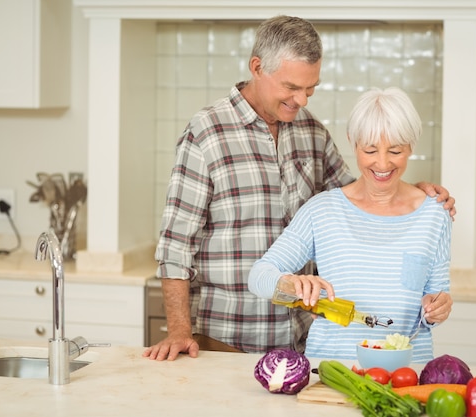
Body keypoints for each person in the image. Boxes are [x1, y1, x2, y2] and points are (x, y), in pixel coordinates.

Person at [143, 15, 455, 361]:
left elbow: (361, 195)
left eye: (311, 89)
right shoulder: (206, 134)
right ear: (258, 67)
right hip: (229, 337)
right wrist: (179, 332)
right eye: (291, 87)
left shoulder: (311, 132)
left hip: (304, 340)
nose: (302, 100)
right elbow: (175, 246)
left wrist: (415, 192)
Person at [248, 87, 453, 363]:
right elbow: (258, 276)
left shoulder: (435, 214)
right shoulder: (322, 211)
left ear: (411, 146)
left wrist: (438, 308)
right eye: (370, 150)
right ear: (352, 142)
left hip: (407, 371)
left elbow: (436, 295)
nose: (382, 163)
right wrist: (292, 283)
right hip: (332, 371)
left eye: (395, 150)